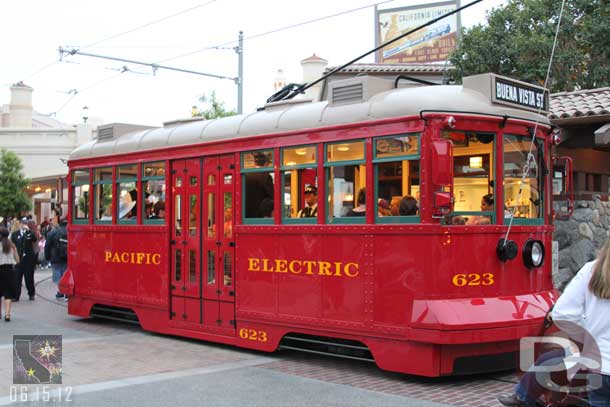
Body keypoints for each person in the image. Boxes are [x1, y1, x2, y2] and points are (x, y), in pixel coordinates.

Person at [498, 237, 610, 407]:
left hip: (598, 364)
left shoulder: (591, 270)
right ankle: (524, 397)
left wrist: (585, 335)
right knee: (550, 358)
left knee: (550, 358)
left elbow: (563, 313)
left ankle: (523, 397)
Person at [10, 217, 37, 301]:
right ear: (20, 224)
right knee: (17, 278)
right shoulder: (15, 234)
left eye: (25, 223)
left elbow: (34, 238)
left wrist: (28, 230)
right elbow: (13, 245)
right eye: (22, 223)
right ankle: (16, 296)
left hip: (28, 259)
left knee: (29, 277)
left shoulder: (30, 233)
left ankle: (31, 293)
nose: (23, 225)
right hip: (18, 259)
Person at [45, 217, 68, 300]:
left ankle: (61, 291)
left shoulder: (53, 232)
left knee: (58, 276)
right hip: (67, 257)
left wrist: (47, 257)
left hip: (55, 257)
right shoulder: (70, 232)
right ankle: (65, 292)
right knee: (66, 274)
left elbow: (47, 246)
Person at [245, 153, 274, 218]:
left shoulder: (246, 176)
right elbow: (271, 197)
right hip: (260, 216)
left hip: (245, 216)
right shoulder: (266, 176)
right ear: (266, 163)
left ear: (255, 163)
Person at [0, 227, 19, 321]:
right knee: (8, 293)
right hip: (9, 270)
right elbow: (18, 260)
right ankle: (7, 314)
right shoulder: (11, 245)